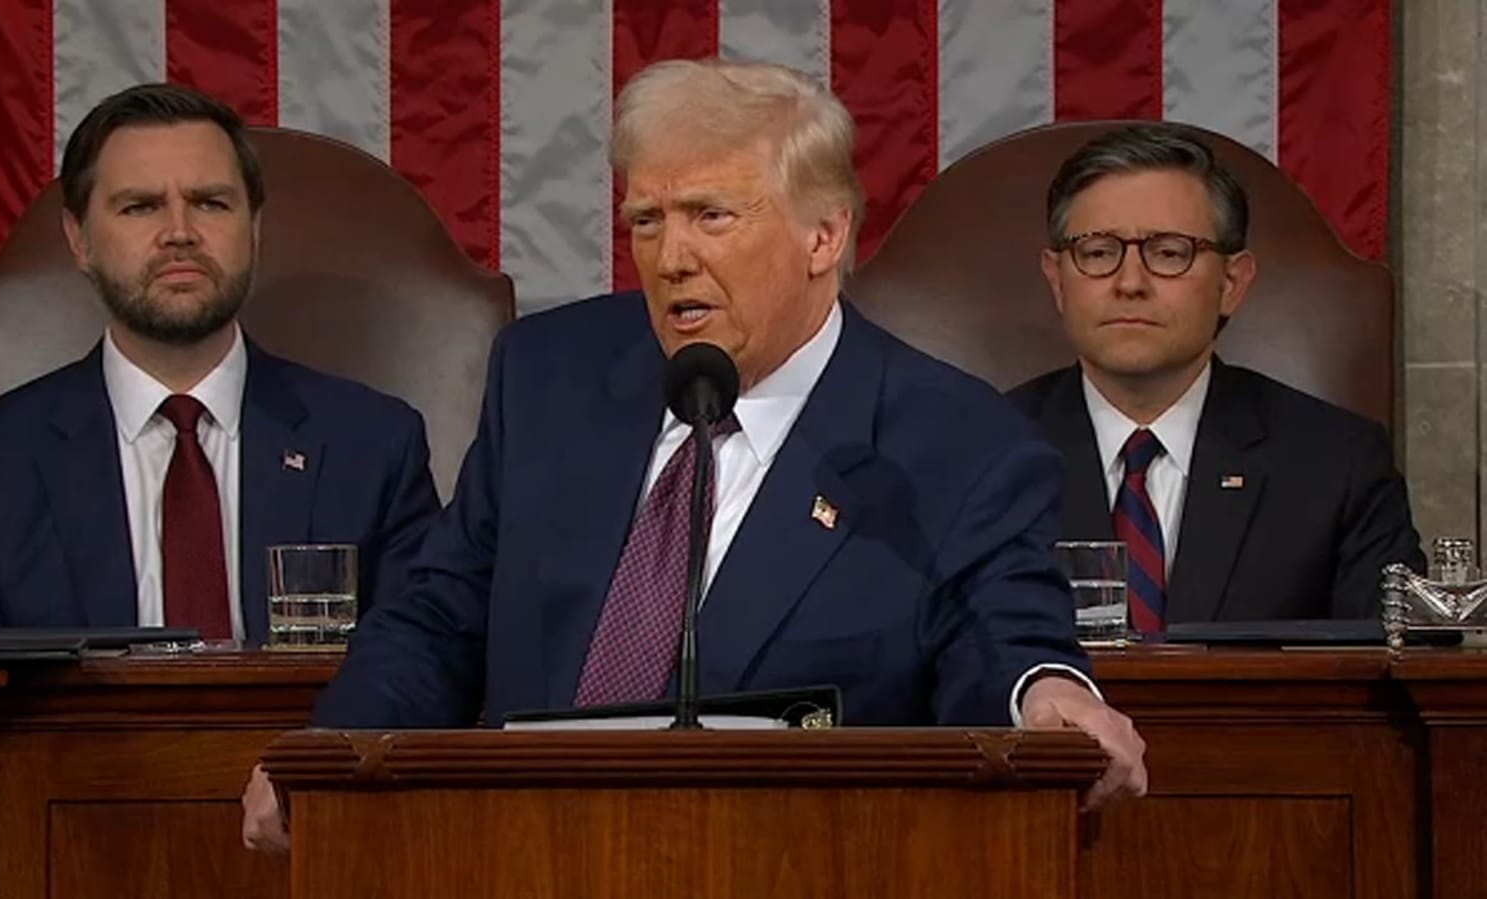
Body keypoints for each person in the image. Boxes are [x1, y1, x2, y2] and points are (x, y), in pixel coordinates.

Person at [243, 59, 1146, 851]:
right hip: (517, 853)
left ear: (823, 236)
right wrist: (331, 753)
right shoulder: (549, 377)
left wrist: (1043, 693)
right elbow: (441, 612)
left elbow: (1003, 632)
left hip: (808, 861)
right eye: (646, 220)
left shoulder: (952, 441)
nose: (671, 257)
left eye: (712, 215)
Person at [0, 83, 440, 642]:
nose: (180, 233)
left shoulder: (373, 445)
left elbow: (422, 669)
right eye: (140, 206)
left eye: (210, 202)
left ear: (252, 229)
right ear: (78, 239)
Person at [1009, 123, 1424, 631]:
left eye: (1169, 252)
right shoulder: (978, 454)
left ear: (1232, 283)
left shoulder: (1338, 463)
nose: (1130, 283)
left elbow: (1397, 673)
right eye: (1097, 252)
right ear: (1057, 279)